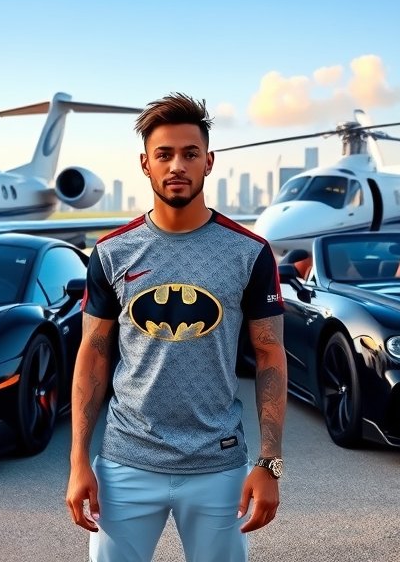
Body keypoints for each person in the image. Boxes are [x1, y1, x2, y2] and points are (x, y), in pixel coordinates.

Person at [65, 93, 287, 562]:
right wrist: (78, 460)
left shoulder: (248, 251)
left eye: (190, 153)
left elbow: (270, 354)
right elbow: (94, 352)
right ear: (145, 164)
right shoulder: (112, 252)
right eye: (164, 154)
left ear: (209, 162)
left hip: (218, 463)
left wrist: (269, 463)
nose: (177, 166)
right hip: (125, 463)